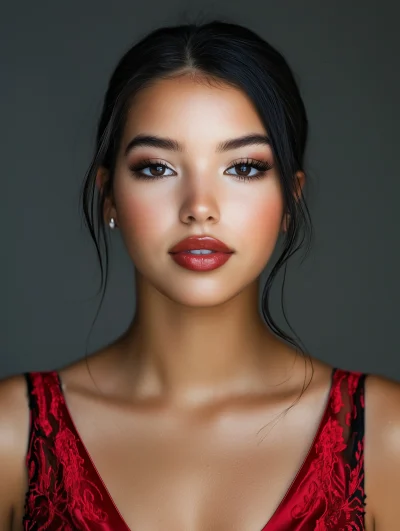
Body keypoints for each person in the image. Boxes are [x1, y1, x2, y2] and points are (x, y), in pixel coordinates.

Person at [0, 19, 399, 531]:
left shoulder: (383, 438)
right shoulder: (16, 435)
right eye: (157, 167)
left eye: (244, 168)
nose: (200, 208)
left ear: (290, 200)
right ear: (108, 196)